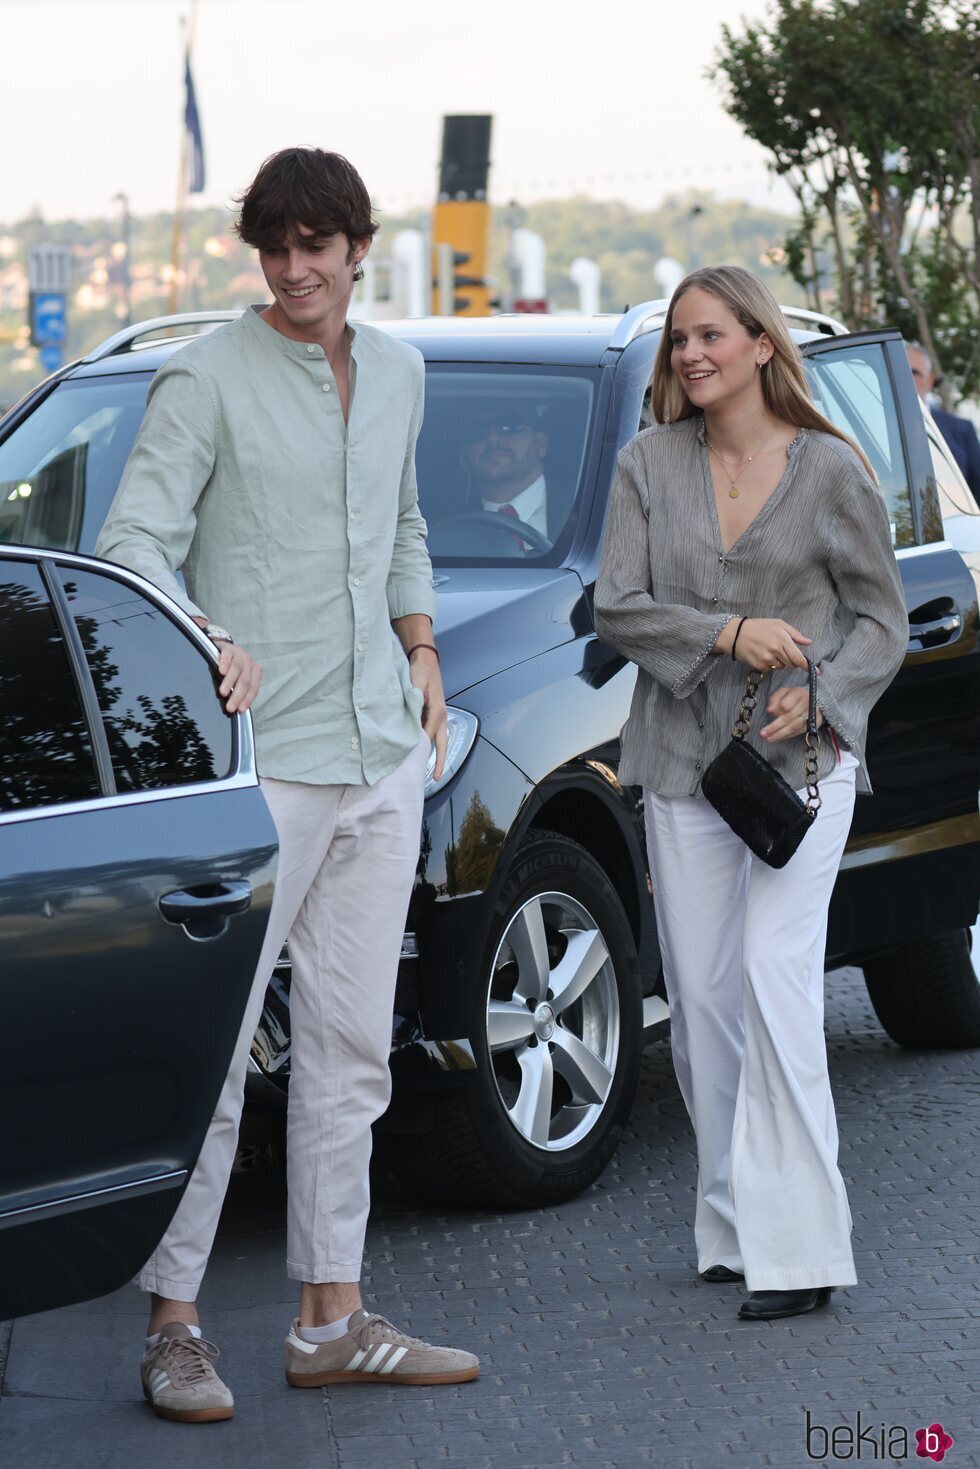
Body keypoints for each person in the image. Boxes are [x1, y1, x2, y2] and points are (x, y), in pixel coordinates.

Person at [95, 146, 479, 1422]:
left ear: (358, 246)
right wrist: (208, 639)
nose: (296, 267)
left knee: (351, 1052)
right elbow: (130, 543)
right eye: (275, 245)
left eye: (318, 243)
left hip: (382, 756)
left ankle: (330, 1316)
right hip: (258, 770)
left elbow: (405, 524)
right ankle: (174, 1327)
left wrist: (423, 650)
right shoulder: (202, 376)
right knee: (212, 1058)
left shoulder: (408, 372)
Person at [594, 265, 907, 1322]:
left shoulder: (828, 470)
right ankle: (729, 1221)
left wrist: (818, 690)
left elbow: (880, 621)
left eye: (709, 335)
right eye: (677, 339)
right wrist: (727, 635)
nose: (688, 353)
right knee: (703, 1011)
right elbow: (615, 607)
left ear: (760, 345)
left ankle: (802, 1246)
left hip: (803, 772)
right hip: (683, 765)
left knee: (776, 982)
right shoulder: (646, 463)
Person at [459, 400, 551, 543]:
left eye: (509, 425)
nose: (492, 438)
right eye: (477, 430)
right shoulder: (440, 527)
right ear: (462, 459)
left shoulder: (589, 513)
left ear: (541, 444)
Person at [905, 342, 980, 506]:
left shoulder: (962, 431)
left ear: (930, 380)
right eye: (901, 371)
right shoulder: (876, 428)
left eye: (915, 372)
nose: (906, 377)